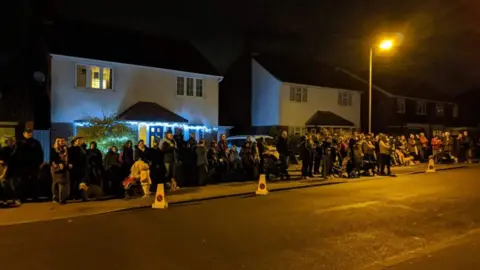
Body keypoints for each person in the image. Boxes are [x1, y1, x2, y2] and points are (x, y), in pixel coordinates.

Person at [13, 128, 44, 202]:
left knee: (35, 182)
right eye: (27, 132)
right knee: (23, 182)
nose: (29, 134)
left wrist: (40, 163)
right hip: (23, 166)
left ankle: (35, 197)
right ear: (24, 134)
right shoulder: (19, 143)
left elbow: (40, 153)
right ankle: (23, 198)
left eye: (30, 132)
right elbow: (16, 154)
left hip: (34, 165)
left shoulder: (36, 142)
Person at [51, 138, 69, 204]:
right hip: (55, 167)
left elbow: (68, 158)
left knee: (63, 182)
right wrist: (57, 163)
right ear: (57, 142)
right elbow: (52, 158)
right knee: (55, 182)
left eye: (63, 141)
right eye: (60, 141)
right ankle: (55, 197)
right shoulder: (53, 149)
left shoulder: (65, 149)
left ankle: (62, 197)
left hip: (64, 167)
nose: (62, 142)